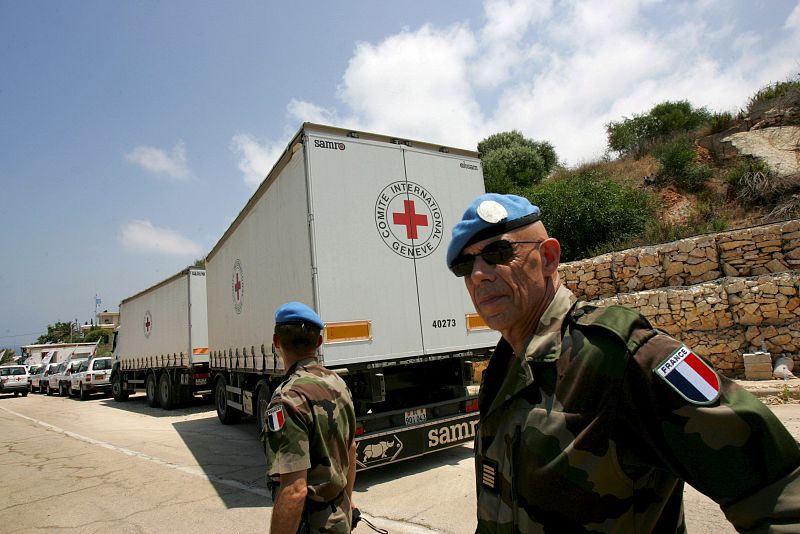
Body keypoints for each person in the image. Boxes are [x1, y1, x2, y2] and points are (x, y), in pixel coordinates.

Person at [446, 193, 800, 532]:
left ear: (549, 258)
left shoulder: (623, 354)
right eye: (465, 264)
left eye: (496, 253)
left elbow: (777, 490)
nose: (478, 274)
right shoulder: (503, 369)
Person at [262, 302, 357, 533]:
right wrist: (346, 501)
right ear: (319, 343)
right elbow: (351, 449)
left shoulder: (287, 399)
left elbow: (295, 490)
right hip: (340, 519)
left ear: (276, 342)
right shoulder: (338, 383)